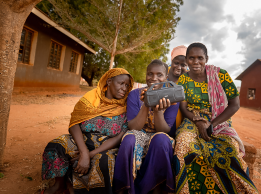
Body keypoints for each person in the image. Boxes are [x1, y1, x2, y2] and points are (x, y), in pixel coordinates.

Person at [174, 43, 258, 194]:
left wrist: (212, 124)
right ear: (186, 59)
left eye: (200, 58)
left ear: (206, 58)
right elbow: (183, 107)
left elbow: (235, 104)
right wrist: (198, 121)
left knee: (230, 151)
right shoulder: (183, 80)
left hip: (218, 120)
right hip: (192, 119)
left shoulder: (220, 75)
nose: (195, 62)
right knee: (182, 145)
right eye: (191, 58)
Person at [40, 68, 134, 194]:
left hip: (107, 146)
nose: (124, 88)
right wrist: (84, 151)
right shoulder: (91, 98)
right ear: (109, 81)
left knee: (104, 162)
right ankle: (59, 184)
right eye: (121, 83)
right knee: (56, 145)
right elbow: (74, 124)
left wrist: (90, 155)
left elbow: (118, 138)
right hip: (81, 141)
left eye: (127, 85)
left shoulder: (126, 106)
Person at [114, 59, 179, 194]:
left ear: (166, 77)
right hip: (139, 132)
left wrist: (158, 111)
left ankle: (155, 188)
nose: (154, 78)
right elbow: (133, 127)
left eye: (159, 75)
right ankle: (127, 189)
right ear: (145, 75)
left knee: (161, 140)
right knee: (128, 140)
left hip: (159, 134)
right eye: (150, 74)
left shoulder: (172, 97)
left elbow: (164, 130)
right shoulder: (134, 94)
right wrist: (146, 103)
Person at [167, 45, 188, 137]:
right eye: (176, 63)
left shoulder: (189, 79)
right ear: (171, 61)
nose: (179, 67)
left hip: (180, 121)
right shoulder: (162, 73)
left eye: (183, 65)